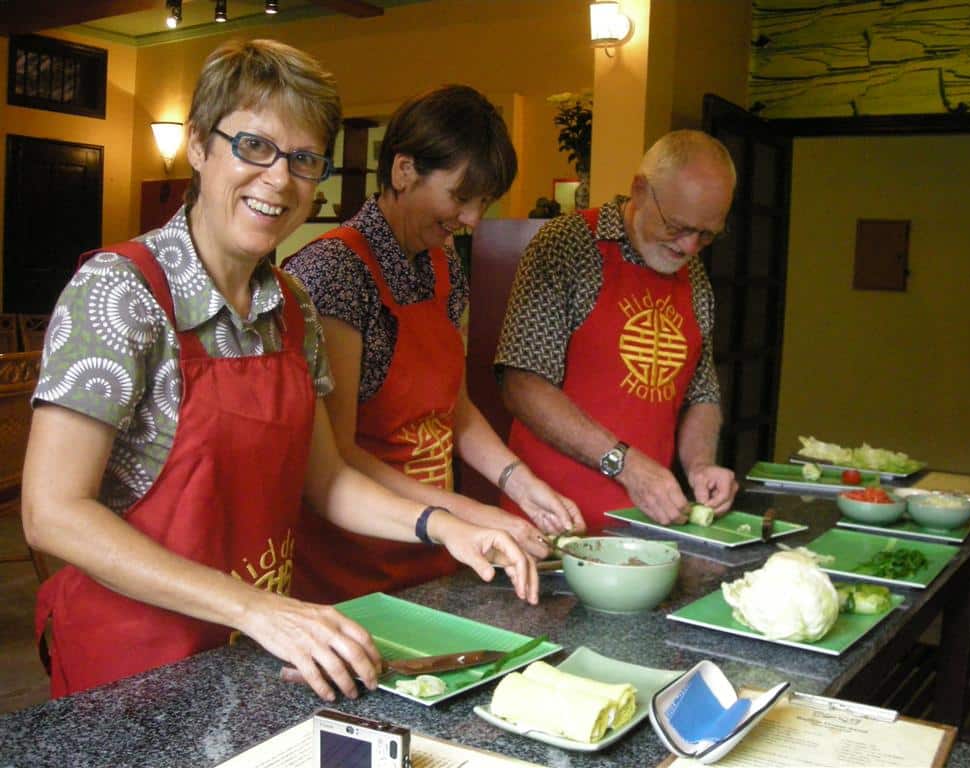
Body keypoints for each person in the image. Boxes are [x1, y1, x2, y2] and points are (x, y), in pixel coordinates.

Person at [22, 40, 537, 702]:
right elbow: (52, 512)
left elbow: (326, 482)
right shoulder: (119, 293)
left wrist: (447, 527)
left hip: (254, 660)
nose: (280, 180)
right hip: (134, 669)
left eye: (302, 160)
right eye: (254, 147)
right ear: (200, 146)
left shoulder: (292, 308)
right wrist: (254, 608)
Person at [284, 84, 583, 604]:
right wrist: (465, 513)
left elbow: (455, 410)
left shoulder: (444, 268)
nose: (471, 219)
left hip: (433, 549)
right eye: (461, 197)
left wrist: (518, 484)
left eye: (482, 202)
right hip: (350, 565)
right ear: (403, 171)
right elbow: (339, 453)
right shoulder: (334, 273)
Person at [495, 130, 740, 532]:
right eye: (677, 226)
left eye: (707, 234)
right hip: (548, 522)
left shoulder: (693, 276)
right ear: (640, 190)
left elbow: (702, 391)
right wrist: (625, 464)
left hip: (644, 526)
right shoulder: (568, 246)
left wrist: (700, 465)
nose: (690, 247)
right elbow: (522, 383)